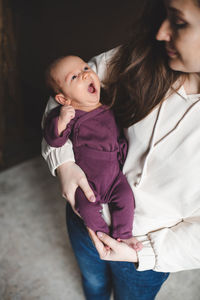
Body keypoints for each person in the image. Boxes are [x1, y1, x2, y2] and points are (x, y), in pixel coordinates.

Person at [41, 0, 200, 299]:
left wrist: (147, 254)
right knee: (93, 284)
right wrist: (63, 164)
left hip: (141, 252)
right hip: (83, 217)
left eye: (179, 22)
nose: (161, 32)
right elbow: (63, 95)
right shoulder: (145, 56)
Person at [43, 55, 142, 249]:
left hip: (114, 176)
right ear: (63, 99)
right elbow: (54, 140)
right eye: (74, 77)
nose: (84, 75)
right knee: (85, 208)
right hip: (86, 181)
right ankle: (102, 236)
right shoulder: (68, 114)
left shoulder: (107, 105)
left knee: (125, 198)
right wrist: (61, 121)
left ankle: (123, 235)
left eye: (86, 68)